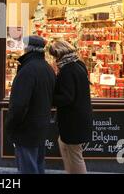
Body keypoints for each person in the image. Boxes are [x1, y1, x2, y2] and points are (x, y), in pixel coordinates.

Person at [5, 35, 56, 174]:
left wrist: (10, 126)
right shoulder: (48, 69)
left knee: (28, 168)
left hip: (27, 129)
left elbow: (19, 105)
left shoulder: (27, 70)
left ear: (28, 49)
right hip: (41, 126)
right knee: (38, 165)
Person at [48, 40, 93, 174]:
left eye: (55, 55)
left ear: (60, 54)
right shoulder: (78, 65)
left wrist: (50, 99)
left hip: (73, 121)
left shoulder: (68, 70)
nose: (54, 59)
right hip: (77, 119)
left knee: (75, 155)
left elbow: (67, 97)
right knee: (66, 147)